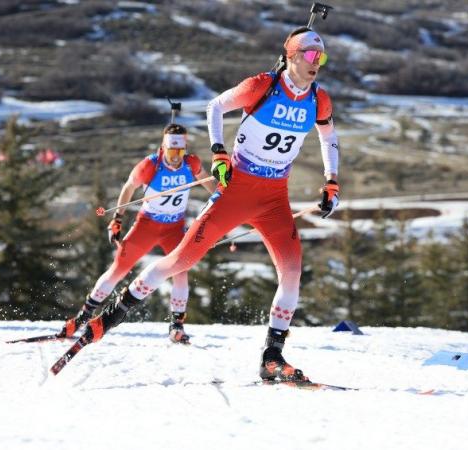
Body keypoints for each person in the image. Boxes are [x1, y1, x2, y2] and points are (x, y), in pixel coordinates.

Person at [76, 27, 340, 381]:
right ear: (291, 56)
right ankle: (107, 319)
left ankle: (272, 357)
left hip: (275, 197)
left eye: (320, 57)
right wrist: (218, 153)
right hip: (236, 190)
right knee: (179, 261)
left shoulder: (319, 99)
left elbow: (329, 136)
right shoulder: (262, 86)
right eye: (309, 55)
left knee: (291, 274)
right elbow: (214, 106)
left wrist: (331, 180)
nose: (316, 63)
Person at [58, 123, 215, 344]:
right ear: (163, 147)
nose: (176, 157)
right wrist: (117, 219)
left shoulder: (192, 163)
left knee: (181, 273)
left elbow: (208, 182)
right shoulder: (150, 165)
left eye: (180, 151)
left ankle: (176, 326)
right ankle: (83, 317)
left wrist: (222, 198)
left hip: (174, 229)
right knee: (118, 269)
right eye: (172, 151)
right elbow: (129, 188)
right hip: (147, 226)